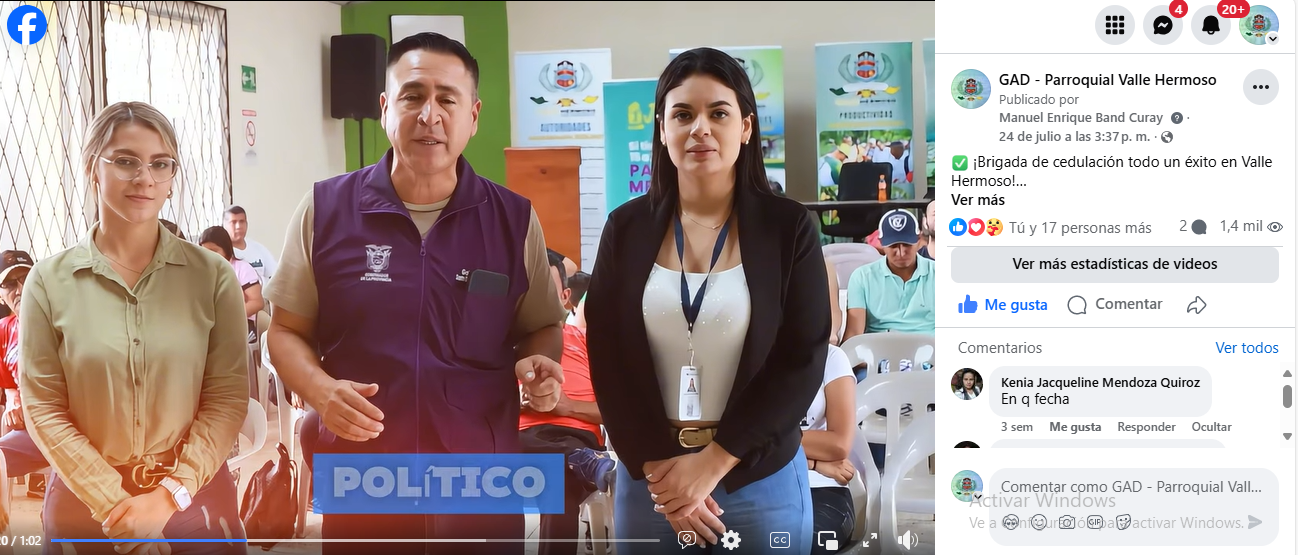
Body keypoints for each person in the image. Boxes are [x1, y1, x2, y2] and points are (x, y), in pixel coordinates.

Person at [265, 32, 568, 555]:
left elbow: (541, 325)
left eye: (447, 99)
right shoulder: (326, 210)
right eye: (413, 96)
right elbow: (285, 330)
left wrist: (540, 364)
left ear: (473, 115)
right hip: (365, 471)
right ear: (386, 108)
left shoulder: (512, 220)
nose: (430, 115)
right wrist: (320, 391)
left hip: (480, 472)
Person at [585, 47, 829, 555]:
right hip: (653, 480)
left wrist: (714, 462)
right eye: (683, 114)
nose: (700, 128)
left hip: (757, 476)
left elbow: (801, 358)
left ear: (746, 127)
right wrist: (665, 477)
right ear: (661, 129)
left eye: (718, 113)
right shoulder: (625, 228)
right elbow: (607, 357)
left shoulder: (788, 228)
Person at [19, 101, 249, 554]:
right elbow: (43, 408)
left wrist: (168, 497)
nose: (145, 178)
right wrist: (116, 508)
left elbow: (226, 398)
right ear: (93, 167)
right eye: (125, 161)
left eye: (160, 164)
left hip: (194, 499)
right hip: (85, 504)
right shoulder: (48, 281)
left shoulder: (212, 277)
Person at [519, 254, 615, 555]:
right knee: (557, 478)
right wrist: (515, 401)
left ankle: (575, 457)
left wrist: (567, 406)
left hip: (575, 433)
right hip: (517, 437)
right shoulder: (501, 343)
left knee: (557, 484)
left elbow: (620, 412)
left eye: (546, 289)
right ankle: (578, 460)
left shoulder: (590, 342)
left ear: (565, 297)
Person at [0, 250, 50, 506]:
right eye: (10, 284)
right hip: (31, 428)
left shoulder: (59, 322)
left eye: (26, 279)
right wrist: (15, 403)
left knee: (58, 519)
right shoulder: (4, 329)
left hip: (66, 429)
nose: (19, 289)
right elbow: (10, 388)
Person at [844, 210, 934, 342]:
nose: (901, 252)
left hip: (931, 349)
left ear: (919, 239)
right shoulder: (862, 277)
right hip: (879, 349)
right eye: (893, 246)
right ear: (881, 243)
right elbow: (854, 333)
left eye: (907, 245)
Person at [801, 344, 857, 554]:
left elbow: (839, 444)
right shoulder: (750, 354)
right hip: (759, 481)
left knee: (810, 545)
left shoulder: (831, 357)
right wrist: (814, 463)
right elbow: (745, 440)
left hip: (820, 487)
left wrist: (767, 440)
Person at [198, 226, 265, 344]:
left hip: (241, 324)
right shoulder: (201, 272)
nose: (209, 256)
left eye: (214, 251)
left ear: (226, 249)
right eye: (205, 251)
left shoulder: (242, 268)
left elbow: (257, 302)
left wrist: (229, 317)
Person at [223, 206, 277, 287]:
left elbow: (275, 274)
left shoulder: (258, 248)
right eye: (233, 222)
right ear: (224, 225)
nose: (238, 226)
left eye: (242, 221)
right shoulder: (221, 252)